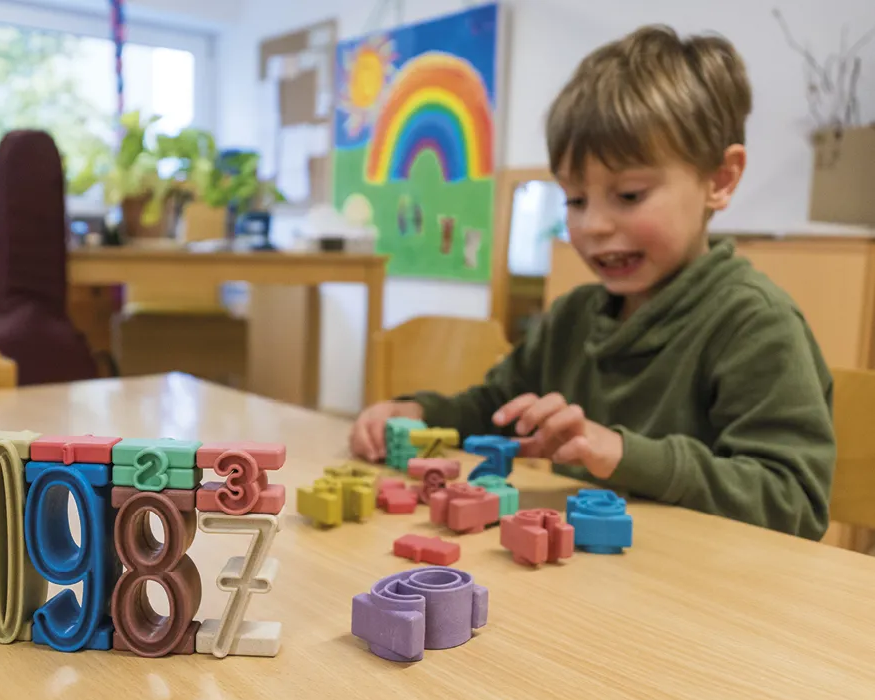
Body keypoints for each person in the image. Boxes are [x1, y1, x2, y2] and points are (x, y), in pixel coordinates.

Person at [349, 25, 835, 540]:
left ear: (720, 179)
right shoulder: (572, 317)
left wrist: (625, 454)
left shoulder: (754, 322)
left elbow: (794, 503)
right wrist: (418, 412)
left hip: (707, 596)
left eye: (628, 195)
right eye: (575, 200)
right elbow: (496, 411)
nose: (592, 226)